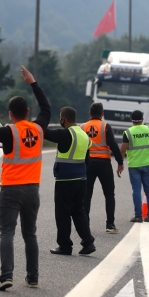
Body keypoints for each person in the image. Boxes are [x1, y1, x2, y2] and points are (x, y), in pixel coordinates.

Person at [0, 66, 50, 291]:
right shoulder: (39, 129)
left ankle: (6, 275)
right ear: (28, 111)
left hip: (10, 190)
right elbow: (47, 108)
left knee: (7, 233)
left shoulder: (8, 132)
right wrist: (33, 82)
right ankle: (33, 277)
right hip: (32, 190)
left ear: (10, 114)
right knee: (30, 234)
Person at [45, 107, 96, 256]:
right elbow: (87, 159)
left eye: (61, 118)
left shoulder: (65, 133)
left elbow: (45, 132)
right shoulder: (84, 135)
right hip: (81, 180)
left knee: (63, 213)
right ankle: (88, 243)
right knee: (79, 211)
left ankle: (65, 246)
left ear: (63, 119)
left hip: (65, 180)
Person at [81, 102, 124, 234]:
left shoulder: (82, 127)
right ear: (102, 114)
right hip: (104, 163)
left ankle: (85, 224)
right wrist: (120, 162)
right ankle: (110, 224)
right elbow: (113, 145)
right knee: (109, 194)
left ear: (89, 113)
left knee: (86, 194)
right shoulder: (105, 126)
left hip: (88, 163)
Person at [119, 110, 149, 223]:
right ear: (142, 119)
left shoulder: (128, 132)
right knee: (148, 190)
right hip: (147, 164)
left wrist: (120, 163)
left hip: (134, 165)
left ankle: (138, 216)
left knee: (136, 190)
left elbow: (123, 149)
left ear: (131, 120)